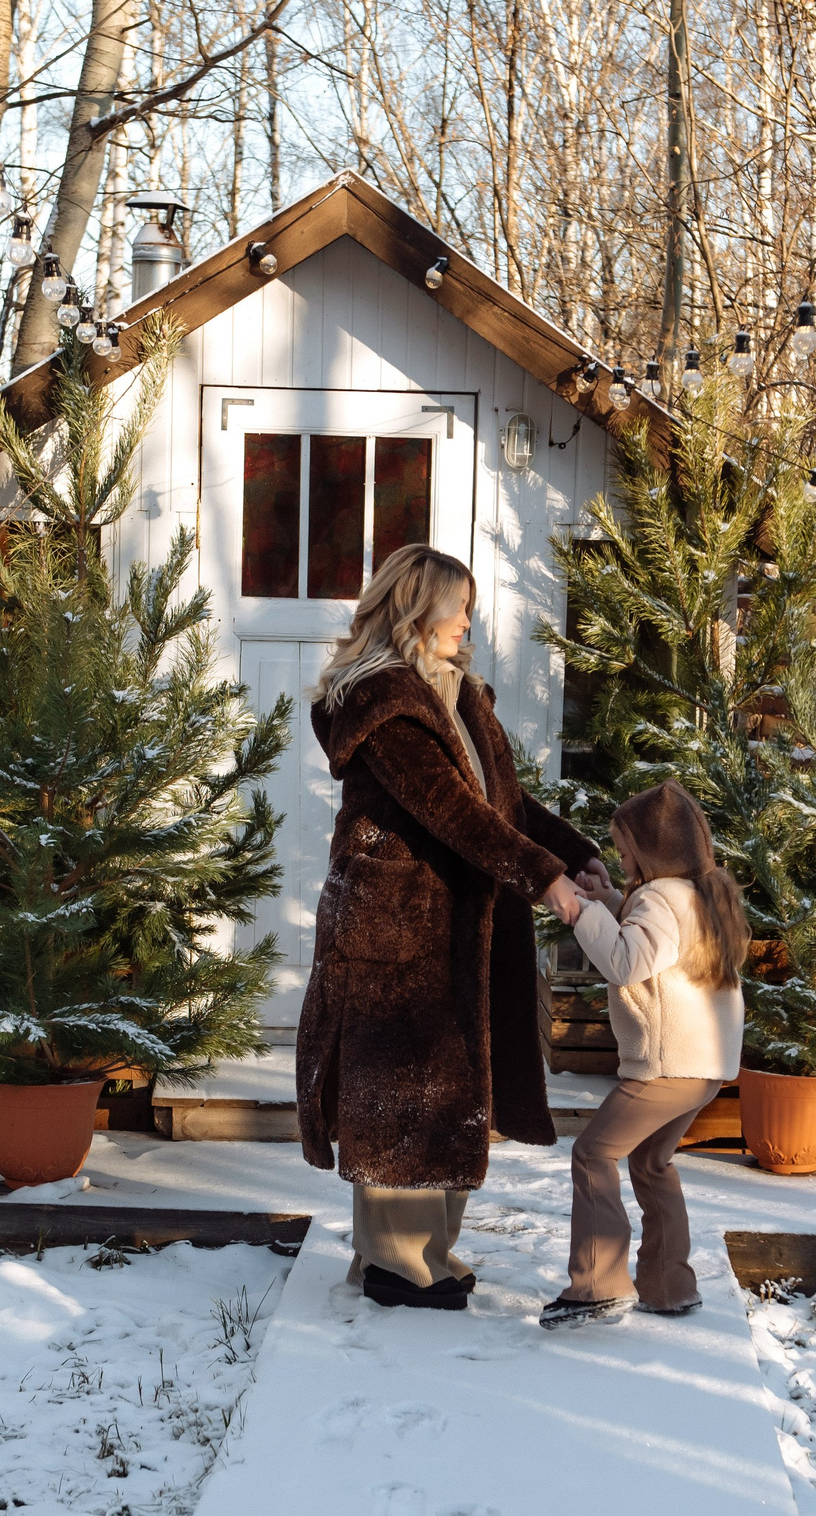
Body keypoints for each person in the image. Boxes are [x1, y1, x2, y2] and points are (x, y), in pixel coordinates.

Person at [296, 544, 605, 1311]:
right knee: (397, 1092)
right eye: (458, 604)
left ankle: (427, 1252)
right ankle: (394, 1262)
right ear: (415, 606)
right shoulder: (383, 702)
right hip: (393, 925)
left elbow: (505, 802)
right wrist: (546, 882)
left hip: (454, 919)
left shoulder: (461, 696)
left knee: (447, 1090)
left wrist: (577, 855)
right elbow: (451, 809)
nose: (469, 619)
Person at [540, 781, 748, 1328]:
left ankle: (597, 1286)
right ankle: (667, 1285)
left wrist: (577, 911)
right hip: (703, 1069)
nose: (619, 856)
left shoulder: (659, 899)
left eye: (625, 847)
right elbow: (655, 941)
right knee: (652, 1163)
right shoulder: (701, 893)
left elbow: (628, 961)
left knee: (592, 1154)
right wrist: (607, 899)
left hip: (666, 1065)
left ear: (654, 849)